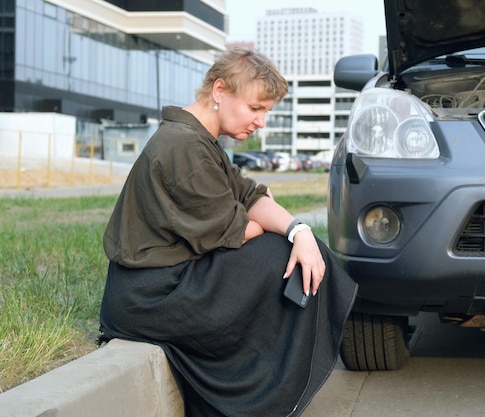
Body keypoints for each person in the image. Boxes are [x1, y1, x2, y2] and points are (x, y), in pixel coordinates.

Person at [98, 48, 358, 417]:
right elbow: (237, 227)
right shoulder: (182, 147)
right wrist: (276, 230)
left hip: (167, 284)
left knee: (298, 248)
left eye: (266, 111)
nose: (262, 122)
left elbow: (251, 196)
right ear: (220, 90)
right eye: (256, 109)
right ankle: (260, 395)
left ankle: (267, 390)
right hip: (149, 296)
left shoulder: (200, 139)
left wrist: (298, 230)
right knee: (277, 256)